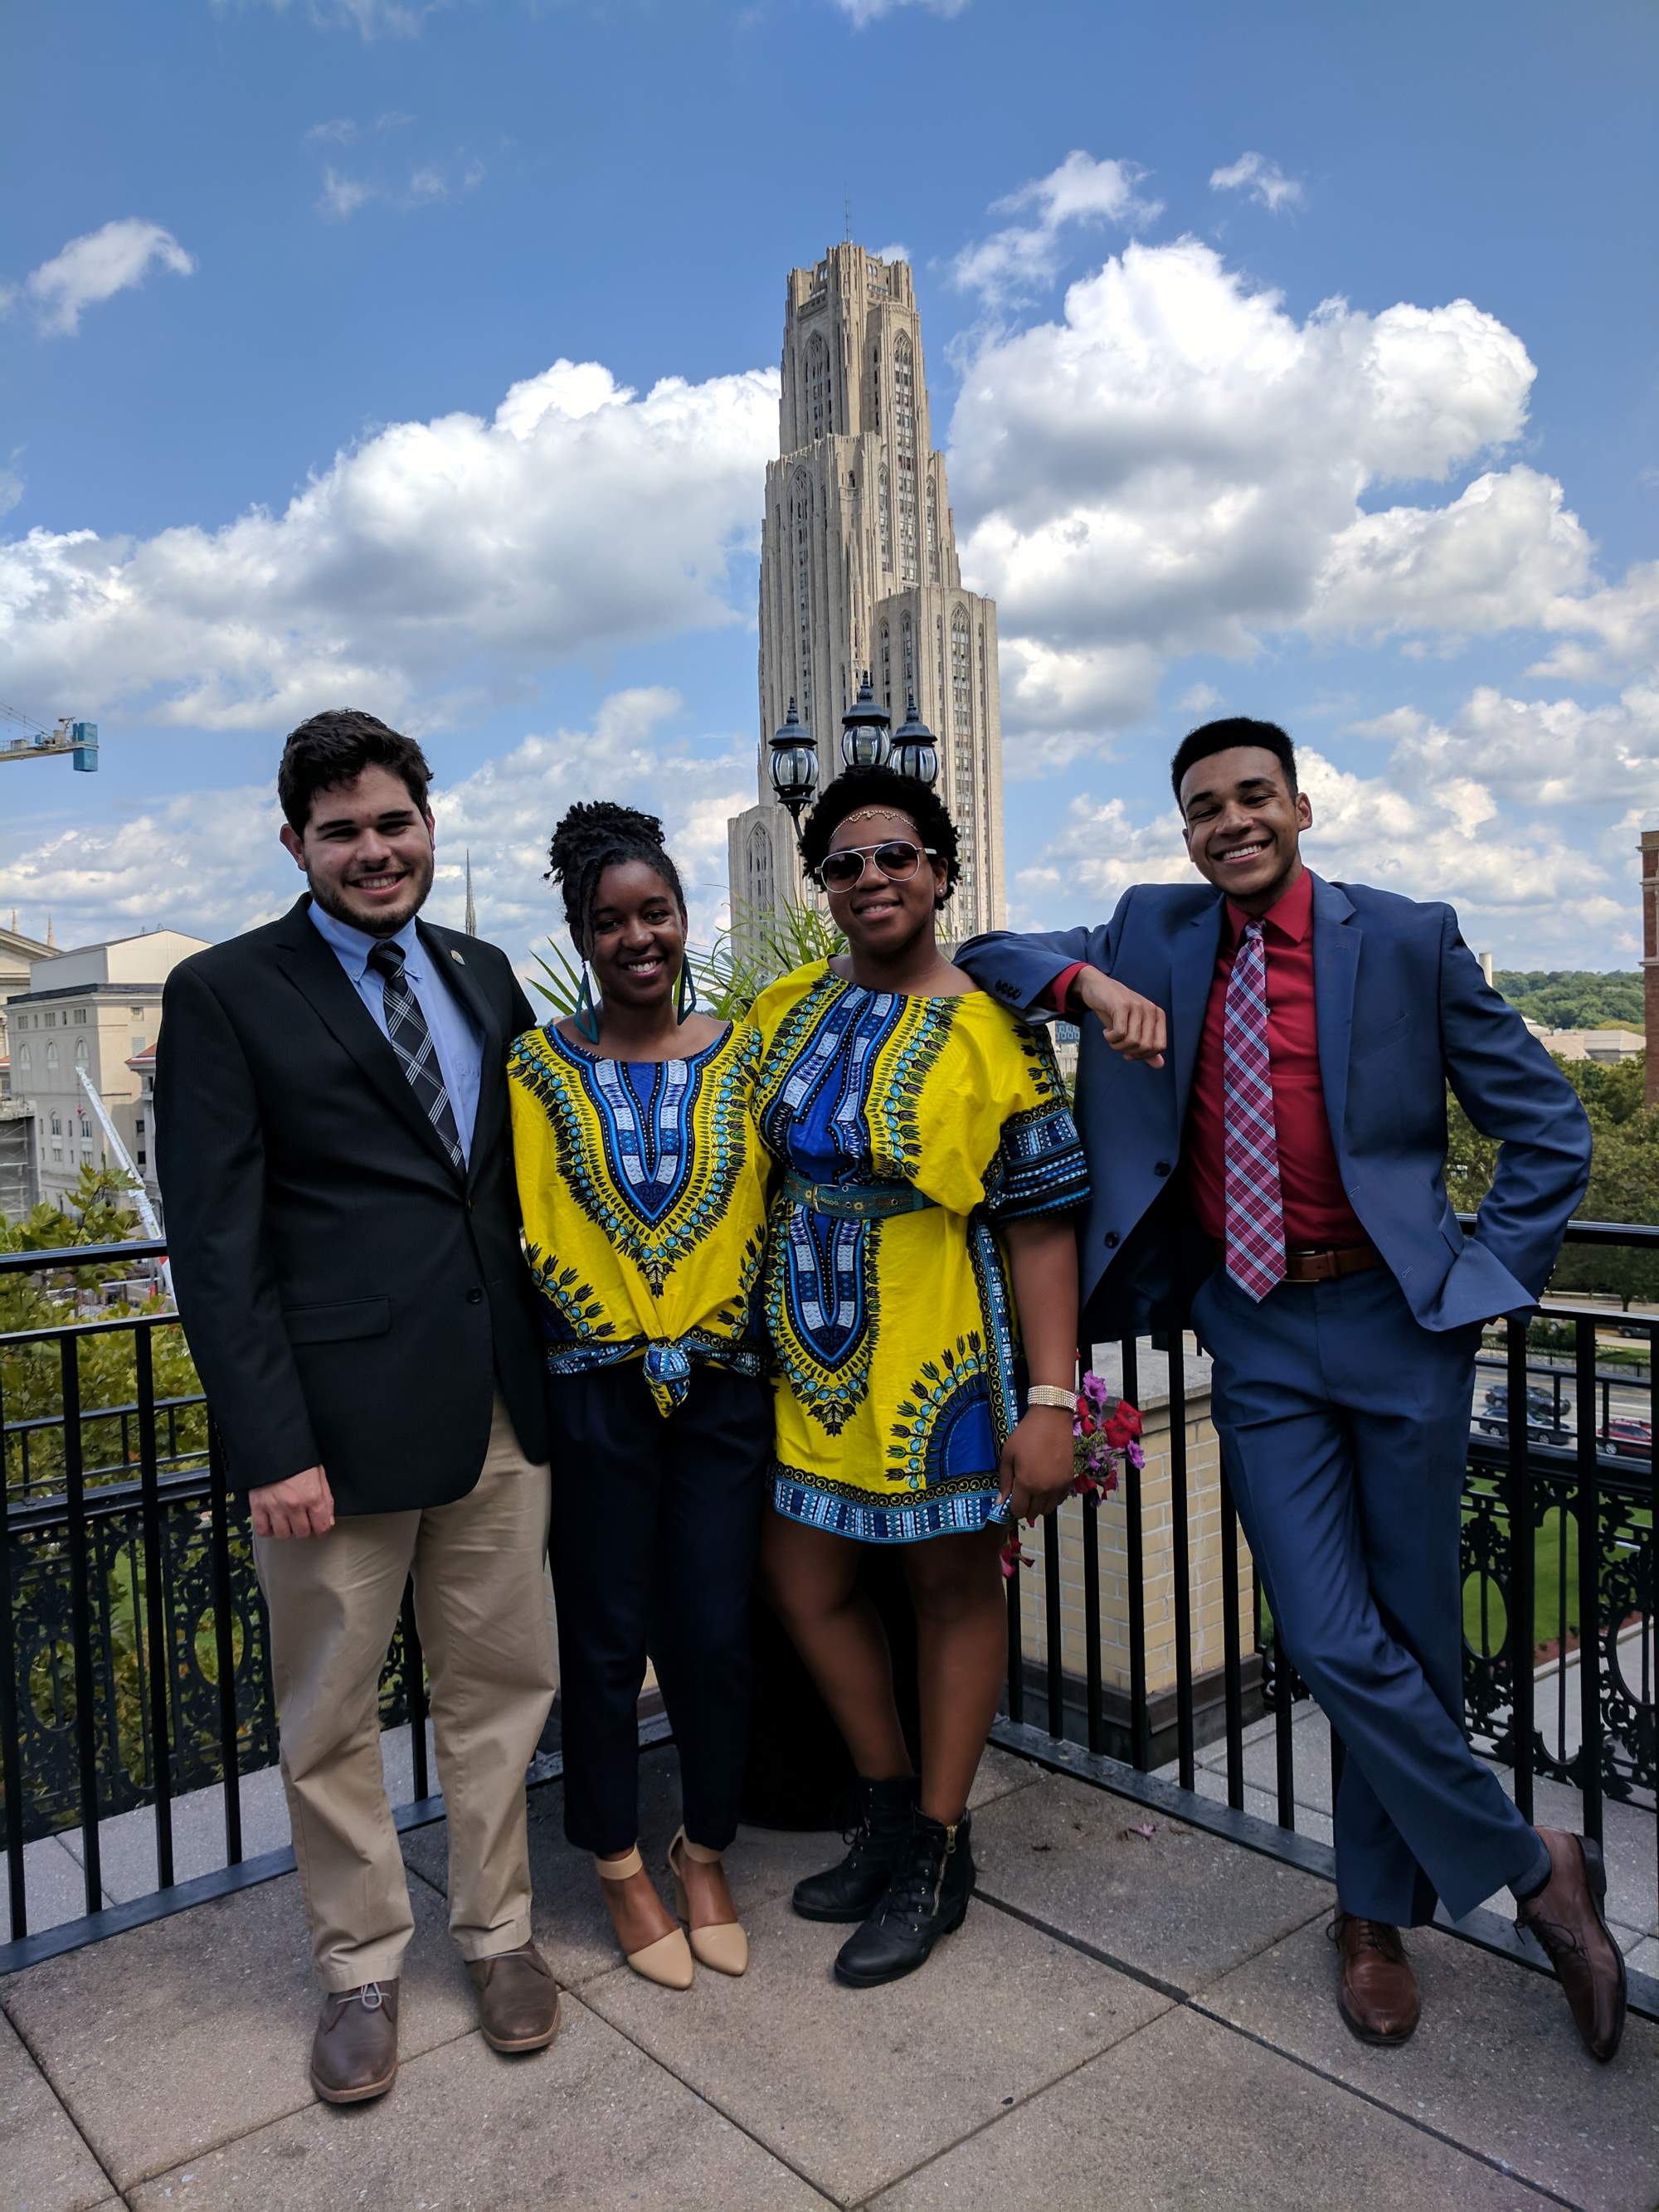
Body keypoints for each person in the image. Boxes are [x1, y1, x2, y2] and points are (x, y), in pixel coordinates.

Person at [954, 714, 1625, 2063]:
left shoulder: (1410, 937)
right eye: (1204, 808)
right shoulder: (1152, 930)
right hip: (1252, 1328)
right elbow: (988, 952)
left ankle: (1369, 1919)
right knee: (1323, 1633)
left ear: (1302, 807)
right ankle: (1538, 1863)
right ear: (1187, 831)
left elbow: (1546, 1125)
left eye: (1253, 797)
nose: (1230, 822)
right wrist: (1088, 992)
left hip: (1397, 1320)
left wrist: (1477, 1278)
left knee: (1415, 1639)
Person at [154, 713, 561, 2105]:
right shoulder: (225, 992)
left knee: (504, 1688)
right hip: (329, 1433)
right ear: (296, 846)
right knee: (329, 1712)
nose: (375, 851)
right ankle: (361, 1969)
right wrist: (272, 1444)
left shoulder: (484, 971)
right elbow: (215, 1246)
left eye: (395, 823)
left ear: (430, 828)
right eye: (343, 832)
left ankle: (500, 1933)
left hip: (500, 1406)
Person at [751, 765, 1090, 1988]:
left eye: (896, 855)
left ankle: (942, 1850)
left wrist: (1050, 1404)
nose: (871, 878)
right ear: (824, 889)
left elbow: (1042, 1224)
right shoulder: (786, 1007)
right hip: (808, 1358)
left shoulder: (1000, 1030)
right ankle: (887, 1806)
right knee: (804, 1578)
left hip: (941, 1343)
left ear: (940, 872)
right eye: (844, 863)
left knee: (951, 1588)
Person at [508, 804, 771, 1988]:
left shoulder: (743, 1053)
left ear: (684, 918)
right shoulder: (537, 1068)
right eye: (609, 922)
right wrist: (627, 1328)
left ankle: (703, 1843)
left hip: (723, 1391)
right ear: (579, 936)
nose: (636, 938)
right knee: (605, 1641)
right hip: (596, 1389)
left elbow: (768, 1206)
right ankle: (615, 1859)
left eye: (654, 913)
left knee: (715, 1634)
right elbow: (533, 1223)